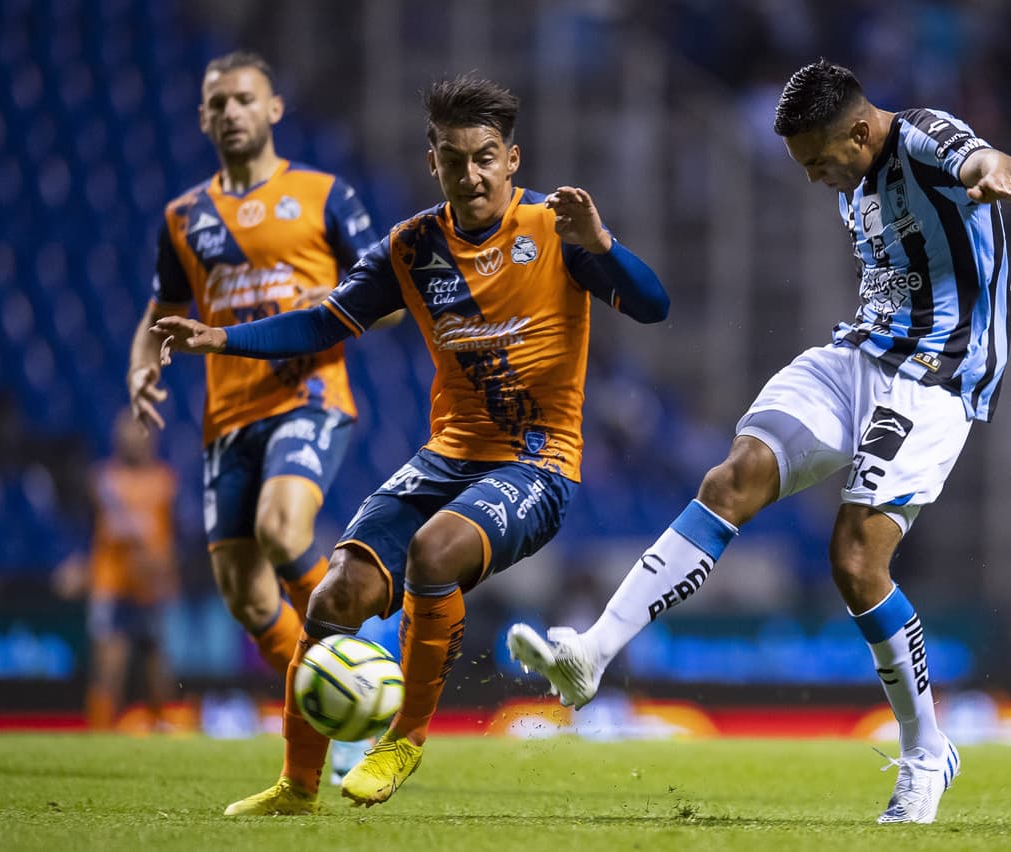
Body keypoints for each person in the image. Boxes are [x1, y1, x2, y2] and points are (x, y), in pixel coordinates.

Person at [507, 59, 1011, 825]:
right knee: (733, 479)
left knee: (856, 559)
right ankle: (591, 654)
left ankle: (926, 752)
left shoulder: (921, 137)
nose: (818, 179)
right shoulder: (850, 173)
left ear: (859, 129)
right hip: (857, 355)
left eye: (821, 161)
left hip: (933, 377)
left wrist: (994, 173)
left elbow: (983, 156)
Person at [152, 74, 670, 814]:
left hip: (537, 462)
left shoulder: (556, 231)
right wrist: (219, 337)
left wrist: (604, 244)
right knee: (334, 598)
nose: (472, 175)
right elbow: (323, 321)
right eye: (454, 160)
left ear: (512, 159)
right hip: (448, 458)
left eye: (485, 157)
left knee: (434, 551)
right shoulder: (412, 247)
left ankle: (406, 739)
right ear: (433, 163)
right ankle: (297, 786)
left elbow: (654, 306)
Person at [126, 50, 379, 678]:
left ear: (274, 108)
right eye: (218, 104)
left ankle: (358, 669)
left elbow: (393, 303)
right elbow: (160, 309)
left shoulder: (324, 196)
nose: (232, 112)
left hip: (308, 395)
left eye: (244, 99)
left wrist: (344, 301)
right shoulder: (182, 218)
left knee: (282, 529)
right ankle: (329, 704)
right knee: (245, 594)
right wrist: (140, 367)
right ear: (203, 121)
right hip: (228, 417)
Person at [52, 411, 180, 731]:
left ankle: (162, 730)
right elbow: (94, 528)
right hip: (113, 587)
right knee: (109, 670)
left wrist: (167, 574)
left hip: (150, 589)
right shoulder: (104, 480)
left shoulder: (164, 481)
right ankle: (99, 733)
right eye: (126, 433)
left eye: (137, 433)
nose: (131, 439)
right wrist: (79, 565)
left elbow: (171, 535)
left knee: (157, 672)